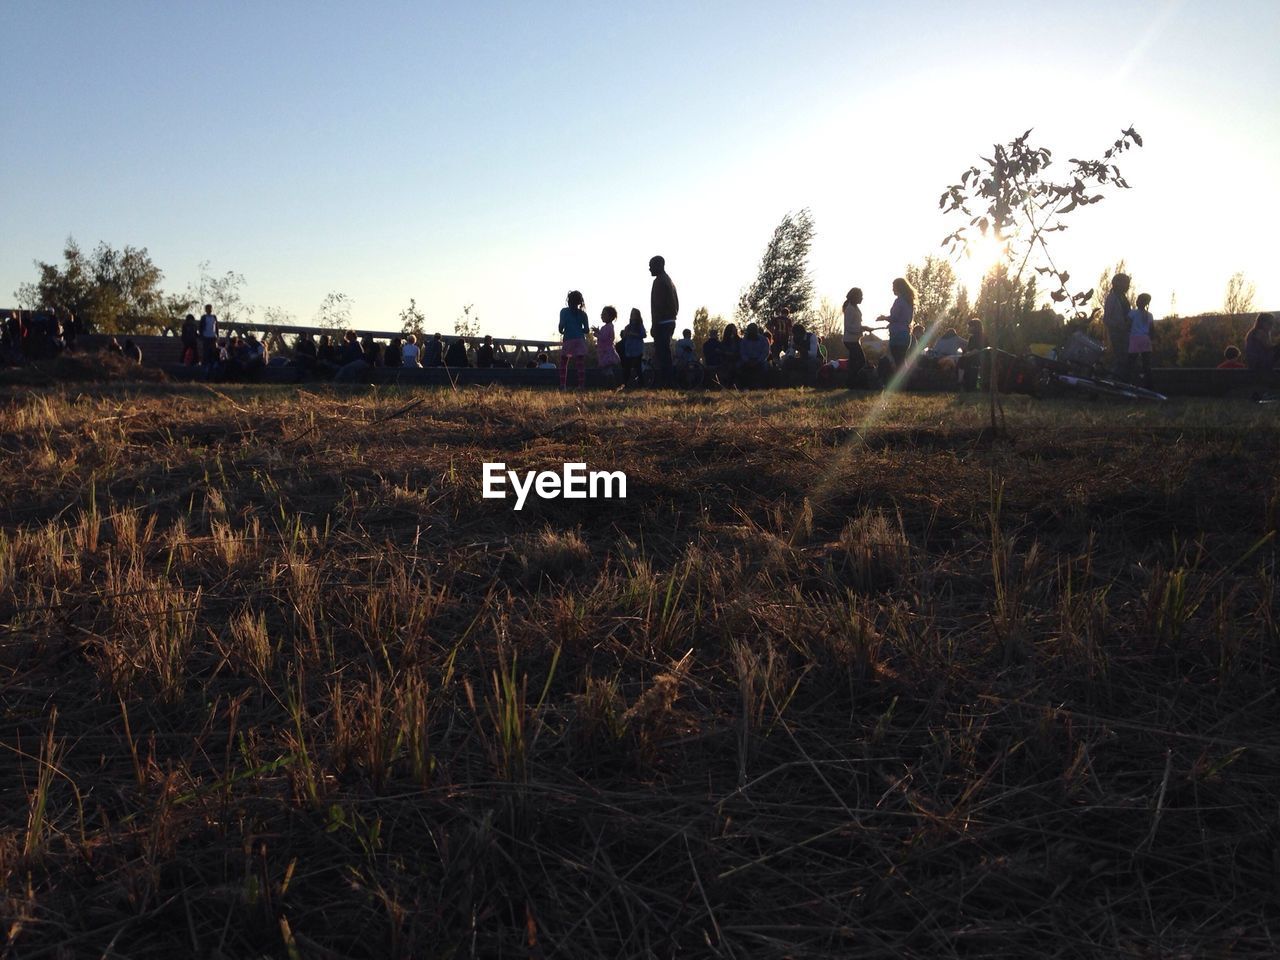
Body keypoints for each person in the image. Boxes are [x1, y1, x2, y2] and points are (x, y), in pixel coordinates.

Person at [649, 255, 679, 386]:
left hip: (662, 322)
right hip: (670, 321)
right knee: (665, 352)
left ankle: (667, 381)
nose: (649, 269)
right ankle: (668, 380)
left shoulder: (659, 282)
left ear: (659, 265)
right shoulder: (668, 281)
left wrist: (655, 324)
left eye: (651, 265)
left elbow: (658, 306)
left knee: (663, 353)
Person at [878, 278, 916, 370]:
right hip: (906, 334)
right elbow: (904, 319)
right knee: (901, 360)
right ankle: (906, 381)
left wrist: (884, 318)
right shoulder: (909, 302)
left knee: (897, 361)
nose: (892, 289)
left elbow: (894, 317)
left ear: (899, 288)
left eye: (894, 287)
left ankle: (903, 382)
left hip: (897, 336)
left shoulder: (899, 301)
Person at [1102, 273, 1132, 375]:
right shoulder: (1112, 298)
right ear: (1118, 284)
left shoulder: (1123, 298)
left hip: (1126, 334)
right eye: (1126, 283)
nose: (1128, 286)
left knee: (1126, 360)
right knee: (1120, 359)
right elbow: (1106, 319)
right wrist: (1119, 326)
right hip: (1117, 335)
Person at [558, 290, 590, 389]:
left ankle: (563, 384)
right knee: (580, 363)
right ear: (580, 302)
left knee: (564, 362)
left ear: (568, 300)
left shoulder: (564, 311)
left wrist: (561, 330)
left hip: (568, 339)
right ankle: (581, 384)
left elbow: (561, 326)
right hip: (579, 340)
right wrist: (579, 329)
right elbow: (586, 330)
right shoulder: (583, 314)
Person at [1127, 293, 1155, 389]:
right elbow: (1152, 330)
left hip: (1134, 339)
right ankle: (1149, 386)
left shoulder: (1132, 313)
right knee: (1147, 364)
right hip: (1145, 339)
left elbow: (1128, 325)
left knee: (1131, 363)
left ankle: (1130, 384)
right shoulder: (1149, 315)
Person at [842, 287, 866, 386]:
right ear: (855, 297)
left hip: (853, 340)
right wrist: (861, 328)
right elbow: (848, 326)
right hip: (850, 340)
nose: (862, 298)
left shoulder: (854, 308)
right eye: (860, 296)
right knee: (860, 360)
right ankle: (852, 381)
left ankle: (851, 382)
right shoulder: (850, 309)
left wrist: (862, 327)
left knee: (854, 362)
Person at [620, 308, 647, 387]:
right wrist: (626, 333)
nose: (633, 316)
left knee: (638, 367)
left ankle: (641, 384)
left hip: (637, 349)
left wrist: (634, 334)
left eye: (634, 314)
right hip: (629, 349)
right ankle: (625, 384)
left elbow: (644, 335)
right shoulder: (628, 326)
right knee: (627, 367)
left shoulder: (640, 326)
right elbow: (624, 336)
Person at [738, 322, 770, 387]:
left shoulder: (763, 340)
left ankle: (761, 385)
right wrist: (747, 361)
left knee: (765, 367)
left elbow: (765, 352)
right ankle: (744, 385)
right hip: (747, 361)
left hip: (760, 361)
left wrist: (757, 361)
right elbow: (742, 352)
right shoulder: (744, 340)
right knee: (738, 366)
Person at [960, 318, 986, 392]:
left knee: (964, 360)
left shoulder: (980, 337)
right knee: (962, 360)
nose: (968, 328)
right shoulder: (972, 337)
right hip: (971, 357)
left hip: (978, 358)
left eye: (969, 326)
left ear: (975, 327)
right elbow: (969, 348)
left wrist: (968, 354)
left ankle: (964, 383)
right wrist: (965, 352)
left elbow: (978, 349)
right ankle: (963, 382)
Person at [594, 307, 621, 379]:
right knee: (606, 370)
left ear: (610, 316)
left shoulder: (608, 327)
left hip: (606, 352)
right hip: (604, 351)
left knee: (607, 369)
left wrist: (597, 334)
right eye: (602, 314)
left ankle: (612, 384)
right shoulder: (606, 327)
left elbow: (604, 338)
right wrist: (598, 331)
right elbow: (604, 336)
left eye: (604, 314)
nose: (602, 315)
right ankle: (611, 384)